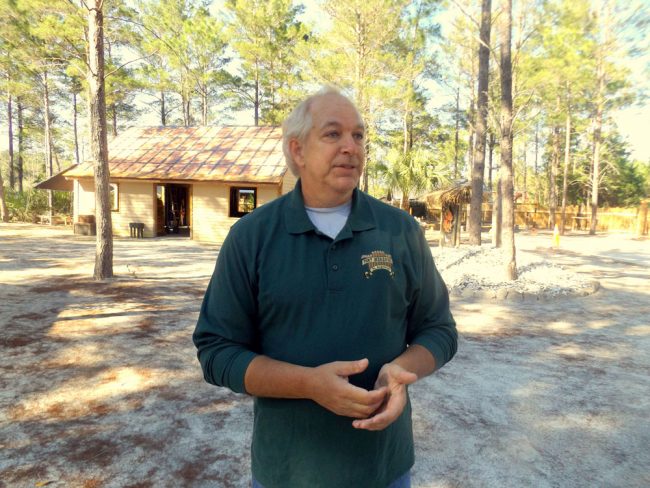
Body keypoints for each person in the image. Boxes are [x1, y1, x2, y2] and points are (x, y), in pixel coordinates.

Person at [193, 87, 457, 488]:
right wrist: (308, 385)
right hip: (288, 471)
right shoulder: (252, 237)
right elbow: (216, 351)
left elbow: (438, 330)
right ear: (298, 151)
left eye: (359, 136)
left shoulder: (399, 231)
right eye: (333, 134)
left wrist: (401, 371)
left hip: (383, 469)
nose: (351, 147)